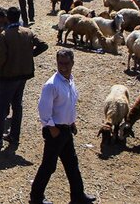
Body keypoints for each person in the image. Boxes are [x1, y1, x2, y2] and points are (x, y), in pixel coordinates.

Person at [30, 49, 96, 204]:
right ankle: (36, 197)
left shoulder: (70, 81)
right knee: (49, 165)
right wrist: (52, 129)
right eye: (60, 63)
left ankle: (78, 196)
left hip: (65, 130)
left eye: (66, 63)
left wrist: (72, 122)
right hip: (55, 131)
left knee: (72, 164)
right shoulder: (52, 84)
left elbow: (68, 105)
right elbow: (43, 109)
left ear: (72, 63)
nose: (63, 66)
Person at [0, 7, 48, 148]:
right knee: (17, 106)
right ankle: (14, 136)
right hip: (23, 75)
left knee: (1, 107)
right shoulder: (28, 32)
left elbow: (1, 57)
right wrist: (31, 55)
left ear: (7, 17)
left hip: (8, 76)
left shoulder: (5, 35)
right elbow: (43, 45)